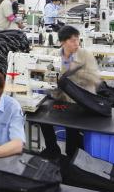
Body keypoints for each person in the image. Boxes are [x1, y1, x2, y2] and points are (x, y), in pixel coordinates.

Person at [40, 25, 100, 159]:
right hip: (60, 98)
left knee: (72, 126)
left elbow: (95, 79)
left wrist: (73, 73)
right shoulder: (53, 56)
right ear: (62, 42)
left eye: (78, 39)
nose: (77, 43)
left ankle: (71, 155)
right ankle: (52, 149)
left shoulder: (85, 55)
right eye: (72, 40)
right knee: (42, 118)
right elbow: (48, 78)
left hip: (80, 100)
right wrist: (54, 80)